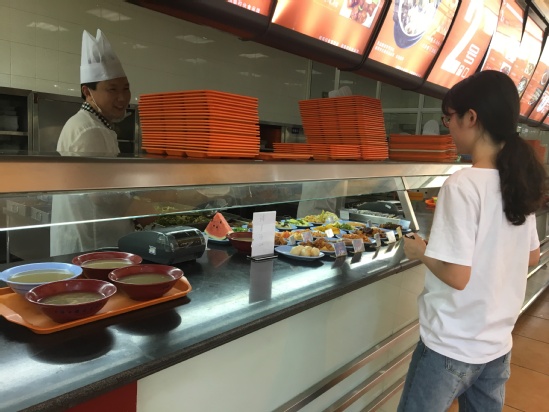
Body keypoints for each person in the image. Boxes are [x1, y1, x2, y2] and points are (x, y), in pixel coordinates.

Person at [398, 70, 546, 412]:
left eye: (449, 117)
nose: (448, 126)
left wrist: (420, 251)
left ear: (471, 117)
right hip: (496, 347)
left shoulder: (463, 184)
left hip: (449, 347)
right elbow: (532, 256)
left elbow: (456, 276)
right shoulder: (517, 181)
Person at [50, 29, 147, 256]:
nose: (122, 97)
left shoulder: (93, 124)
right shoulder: (90, 129)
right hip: (88, 246)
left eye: (125, 88)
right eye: (112, 89)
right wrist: (146, 210)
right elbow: (103, 197)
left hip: (93, 243)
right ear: (87, 92)